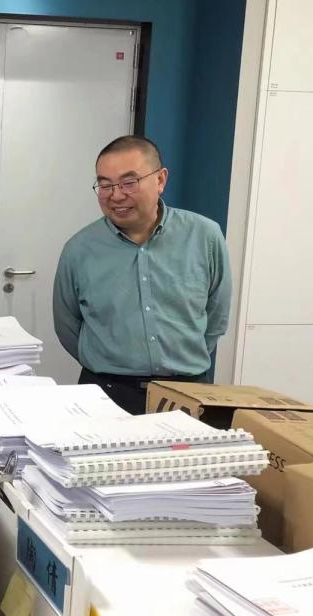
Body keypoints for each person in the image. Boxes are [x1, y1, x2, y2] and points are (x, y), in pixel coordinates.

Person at [52, 135, 232, 415]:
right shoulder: (79, 249)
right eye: (105, 184)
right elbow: (67, 325)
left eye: (129, 182)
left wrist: (180, 363)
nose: (116, 195)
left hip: (188, 392)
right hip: (106, 393)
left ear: (160, 180)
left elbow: (216, 315)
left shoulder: (204, 236)